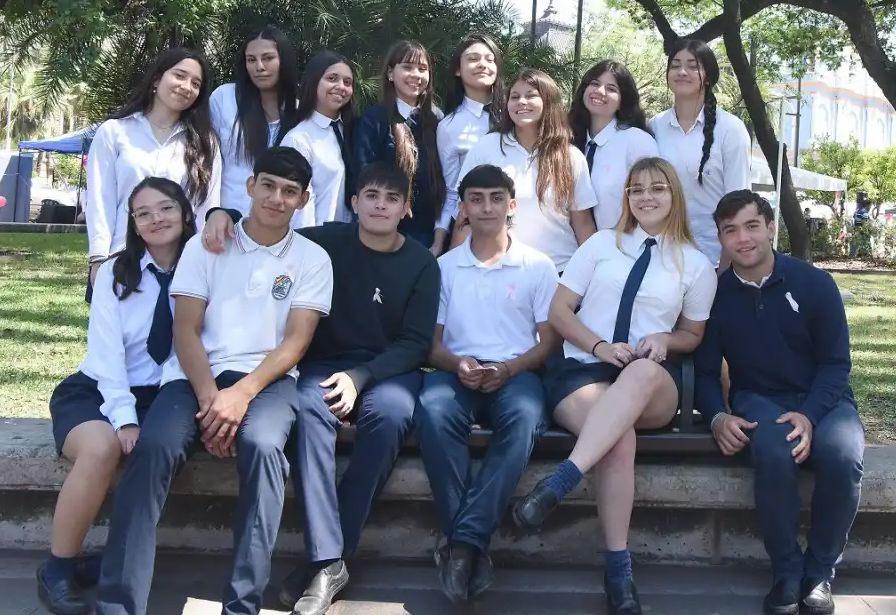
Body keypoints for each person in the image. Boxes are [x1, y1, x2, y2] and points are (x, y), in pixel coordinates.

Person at [95, 147, 332, 615]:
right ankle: (118, 605)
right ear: (250, 187)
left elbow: (296, 342)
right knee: (154, 448)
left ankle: (241, 606)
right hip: (193, 377)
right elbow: (186, 327)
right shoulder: (206, 245)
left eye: (289, 191)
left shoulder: (312, 258)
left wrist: (239, 396)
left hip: (267, 381)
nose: (276, 198)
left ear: (303, 200)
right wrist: (211, 401)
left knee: (265, 449)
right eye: (267, 185)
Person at [201, 161, 440, 615]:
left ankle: (327, 560)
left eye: (392, 199)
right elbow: (266, 227)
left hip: (387, 370)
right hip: (324, 365)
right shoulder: (323, 243)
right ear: (354, 202)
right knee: (311, 412)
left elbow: (414, 343)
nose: (380, 206)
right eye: (371, 196)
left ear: (406, 209)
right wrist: (224, 213)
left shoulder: (421, 262)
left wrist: (361, 378)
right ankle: (330, 560)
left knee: (388, 417)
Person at [510, 157, 718, 615]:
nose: (646, 196)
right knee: (617, 440)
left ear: (674, 196)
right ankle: (618, 570)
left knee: (640, 375)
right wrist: (600, 345)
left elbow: (693, 334)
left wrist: (664, 338)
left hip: (650, 383)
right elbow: (561, 312)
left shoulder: (696, 264)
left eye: (657, 188)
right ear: (626, 198)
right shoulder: (602, 245)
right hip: (583, 370)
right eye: (636, 189)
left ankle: (562, 478)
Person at [695, 190, 864, 615]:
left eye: (752, 226)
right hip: (759, 399)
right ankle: (787, 572)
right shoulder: (714, 295)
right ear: (721, 239)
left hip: (824, 398)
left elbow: (836, 363)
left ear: (771, 228)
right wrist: (716, 415)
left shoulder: (814, 283)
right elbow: (703, 372)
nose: (743, 239)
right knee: (772, 451)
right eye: (730, 231)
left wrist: (809, 416)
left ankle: (820, 572)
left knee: (842, 454)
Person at [39, 178, 196, 615]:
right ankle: (57, 569)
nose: (156, 219)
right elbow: (105, 356)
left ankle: (118, 564)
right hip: (97, 389)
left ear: (185, 212)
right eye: (143, 213)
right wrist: (124, 417)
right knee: (102, 448)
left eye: (165, 208)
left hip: (166, 393)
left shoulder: (204, 267)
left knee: (159, 447)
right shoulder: (115, 272)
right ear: (134, 224)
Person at [416, 164, 558, 603]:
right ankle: (470, 547)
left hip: (517, 374)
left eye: (496, 198)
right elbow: (430, 345)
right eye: (476, 199)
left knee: (525, 417)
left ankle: (461, 544)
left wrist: (510, 369)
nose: (486, 207)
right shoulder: (443, 267)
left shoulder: (537, 265)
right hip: (455, 372)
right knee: (434, 410)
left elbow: (549, 341)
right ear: (463, 208)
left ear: (511, 205)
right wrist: (459, 365)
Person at [86, 48, 222, 290]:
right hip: (122, 257)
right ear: (157, 79)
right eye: (179, 76)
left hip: (182, 265)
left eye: (195, 83)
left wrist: (205, 264)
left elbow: (206, 207)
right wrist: (98, 258)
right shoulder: (115, 132)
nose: (186, 86)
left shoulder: (205, 142)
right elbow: (100, 200)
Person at [456, 69, 598, 272]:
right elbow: (465, 214)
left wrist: (591, 275)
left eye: (531, 95)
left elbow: (583, 223)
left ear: (548, 102)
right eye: (515, 97)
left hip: (560, 271)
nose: (521, 102)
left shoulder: (571, 156)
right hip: (498, 269)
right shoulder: (486, 147)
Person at [649, 39, 751, 268]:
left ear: (708, 76)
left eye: (692, 66)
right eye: (675, 65)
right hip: (664, 259)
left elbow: (738, 205)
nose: (682, 71)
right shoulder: (655, 127)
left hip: (714, 260)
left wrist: (726, 270)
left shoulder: (730, 129)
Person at [353, 40, 445, 251]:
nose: (416, 75)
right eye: (407, 67)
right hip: (384, 232)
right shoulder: (374, 120)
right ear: (390, 73)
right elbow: (361, 174)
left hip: (430, 234)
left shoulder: (436, 119)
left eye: (423, 69)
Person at [210, 27, 300, 214]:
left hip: (277, 222)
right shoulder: (225, 98)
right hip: (227, 217)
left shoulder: (299, 111)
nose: (259, 66)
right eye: (251, 60)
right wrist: (212, 213)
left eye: (268, 58)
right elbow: (208, 163)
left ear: (284, 61)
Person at [568, 60, 658, 231]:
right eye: (595, 83)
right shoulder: (568, 139)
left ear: (623, 101)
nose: (600, 91)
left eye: (611, 89)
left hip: (625, 247)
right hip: (573, 249)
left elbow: (655, 200)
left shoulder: (637, 142)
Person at [436, 34, 504, 243]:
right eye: (473, 59)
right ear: (458, 70)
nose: (483, 65)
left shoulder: (516, 113)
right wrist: (439, 239)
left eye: (489, 59)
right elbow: (451, 190)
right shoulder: (448, 127)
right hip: (472, 230)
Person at [281, 50, 356, 228]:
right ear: (314, 82)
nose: (341, 87)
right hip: (318, 240)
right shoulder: (299, 139)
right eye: (332, 79)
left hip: (353, 238)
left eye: (347, 82)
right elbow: (298, 206)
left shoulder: (353, 132)